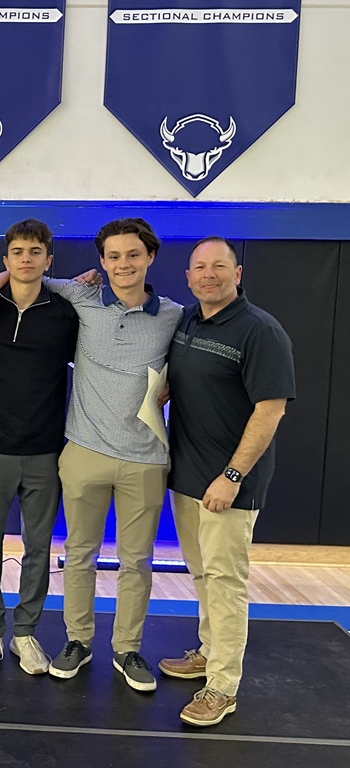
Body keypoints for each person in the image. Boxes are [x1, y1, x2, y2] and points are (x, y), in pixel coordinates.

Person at [0, 217, 183, 691]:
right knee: (55, 553)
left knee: (121, 560)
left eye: (132, 255)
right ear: (100, 263)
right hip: (58, 450)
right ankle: (35, 637)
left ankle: (107, 646)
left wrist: (172, 384)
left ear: (150, 257)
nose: (123, 264)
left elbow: (192, 367)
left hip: (116, 455)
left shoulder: (167, 315)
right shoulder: (69, 299)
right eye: (113, 256)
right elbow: (21, 274)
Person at [158, 237, 294, 726]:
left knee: (226, 582)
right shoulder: (190, 321)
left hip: (228, 484)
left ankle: (222, 685)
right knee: (203, 577)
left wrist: (232, 475)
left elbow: (270, 409)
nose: (209, 274)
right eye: (200, 267)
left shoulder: (261, 330)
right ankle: (208, 652)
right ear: (189, 277)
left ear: (238, 274)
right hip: (188, 477)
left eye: (220, 266)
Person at [0, 219, 79, 676]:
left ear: (48, 260)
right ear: (5, 259)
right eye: (17, 252)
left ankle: (26, 633)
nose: (26, 259)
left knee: (38, 547)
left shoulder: (65, 313)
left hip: (46, 450)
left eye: (35, 251)